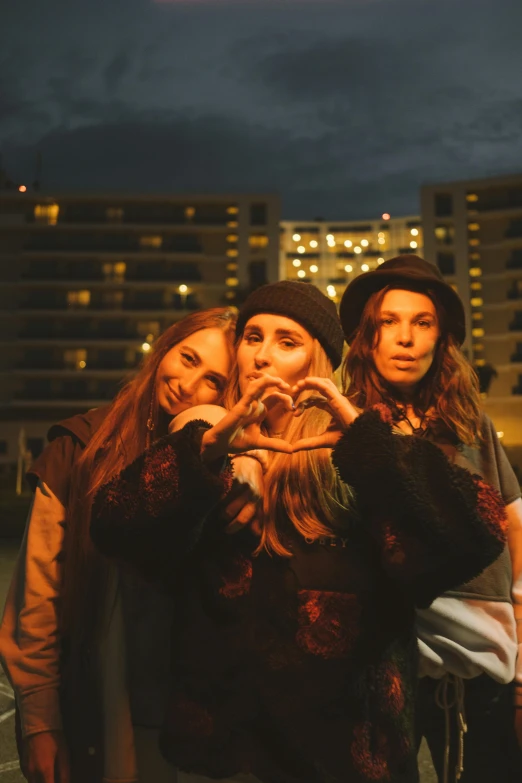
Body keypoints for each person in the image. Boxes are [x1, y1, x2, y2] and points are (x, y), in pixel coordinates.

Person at [90, 280, 508, 783]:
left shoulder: (353, 452)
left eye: (287, 342)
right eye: (252, 337)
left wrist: (368, 442)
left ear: (317, 364)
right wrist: (206, 453)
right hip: (226, 757)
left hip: (346, 759)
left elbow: (476, 535)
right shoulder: (212, 445)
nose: (262, 356)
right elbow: (114, 529)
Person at [0, 307, 240, 783]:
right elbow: (37, 598)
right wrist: (40, 723)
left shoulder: (226, 464)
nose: (188, 383)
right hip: (100, 705)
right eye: (187, 357)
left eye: (213, 379)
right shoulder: (82, 445)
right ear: (164, 347)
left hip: (191, 716)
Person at [338, 254, 522, 783]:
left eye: (422, 323)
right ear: (368, 336)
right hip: (382, 682)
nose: (405, 338)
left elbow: (516, 539)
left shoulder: (470, 427)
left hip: (482, 684)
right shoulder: (346, 425)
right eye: (389, 322)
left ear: (442, 339)